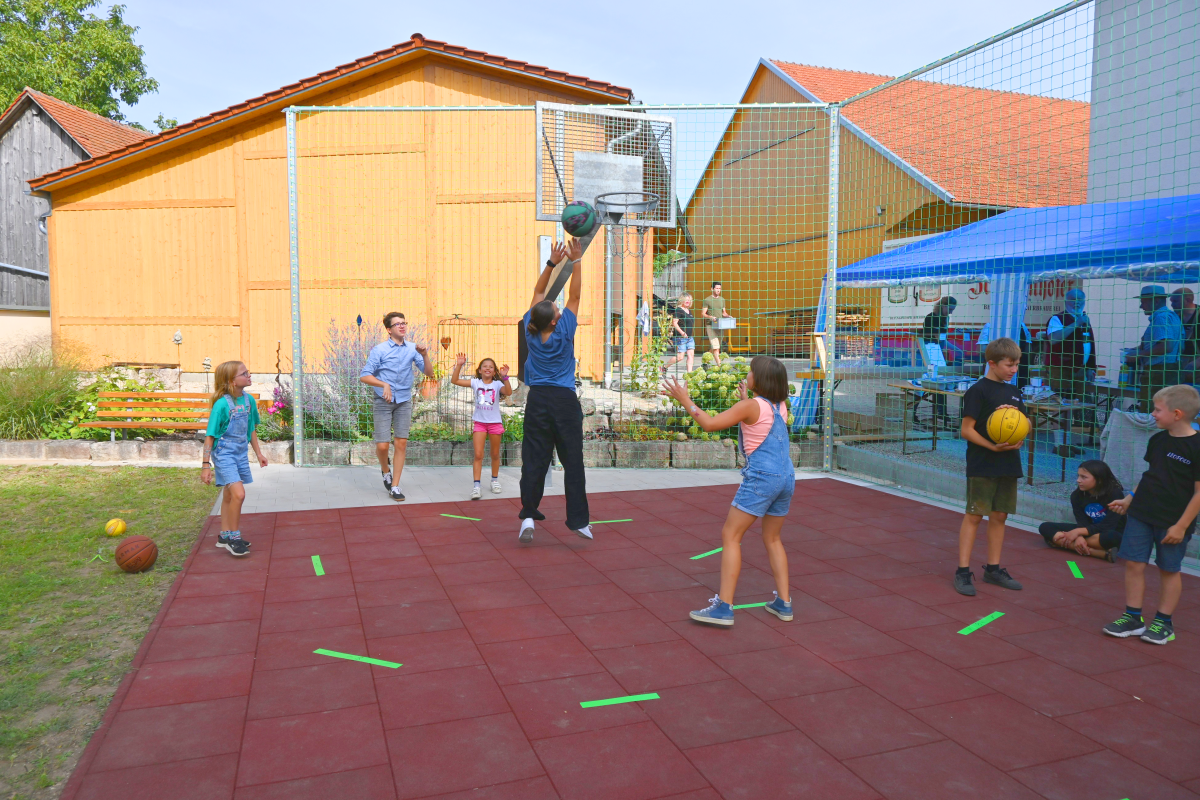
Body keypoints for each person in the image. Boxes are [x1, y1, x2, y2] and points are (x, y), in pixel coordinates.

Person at [664, 356, 795, 626]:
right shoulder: (779, 405)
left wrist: (685, 399)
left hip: (762, 478)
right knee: (773, 539)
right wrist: (749, 398)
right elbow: (761, 421)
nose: (747, 374)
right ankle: (784, 602)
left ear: (759, 380)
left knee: (730, 535)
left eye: (750, 372)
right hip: (786, 478)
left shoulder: (749, 406)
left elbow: (710, 424)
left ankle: (724, 607)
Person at [1103, 384, 1200, 645]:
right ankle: (1133, 617)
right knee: (1134, 563)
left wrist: (1181, 526)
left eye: (1158, 409)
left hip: (1173, 521)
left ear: (1177, 414)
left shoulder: (1196, 446)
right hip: (1141, 513)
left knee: (1169, 569)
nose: (1153, 414)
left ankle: (1163, 622)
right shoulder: (1157, 439)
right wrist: (1129, 499)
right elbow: (1150, 476)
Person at [519, 238, 592, 543]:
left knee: (534, 459)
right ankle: (578, 521)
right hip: (563, 400)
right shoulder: (564, 331)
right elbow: (575, 294)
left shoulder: (531, 328)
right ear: (554, 320)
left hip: (537, 399)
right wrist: (575, 261)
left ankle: (527, 517)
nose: (561, 308)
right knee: (572, 458)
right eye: (557, 308)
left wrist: (551, 263)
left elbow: (538, 293)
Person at [954, 337, 1028, 596]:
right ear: (992, 363)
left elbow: (1024, 425)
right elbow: (966, 430)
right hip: (983, 462)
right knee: (975, 515)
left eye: (1017, 364)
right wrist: (991, 446)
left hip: (1008, 462)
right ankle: (963, 571)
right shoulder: (978, 390)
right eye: (1010, 364)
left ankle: (993, 569)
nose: (1014, 369)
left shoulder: (1015, 392)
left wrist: (1017, 429)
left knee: (1000, 516)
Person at [360, 312, 434, 501]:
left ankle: (395, 486)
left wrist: (424, 355)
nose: (402, 326)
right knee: (383, 445)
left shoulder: (412, 348)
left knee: (401, 443)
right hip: (383, 402)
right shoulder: (380, 350)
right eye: (397, 324)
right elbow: (365, 375)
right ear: (388, 329)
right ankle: (386, 470)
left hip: (403, 401)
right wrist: (384, 385)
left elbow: (429, 373)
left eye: (404, 323)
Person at [201, 361, 269, 557]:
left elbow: (251, 430)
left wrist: (259, 454)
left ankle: (223, 536)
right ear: (231, 381)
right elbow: (210, 436)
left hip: (240, 453)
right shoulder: (221, 405)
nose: (249, 375)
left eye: (248, 372)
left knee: (229, 495)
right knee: (239, 494)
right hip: (223, 454)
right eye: (244, 373)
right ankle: (234, 538)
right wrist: (206, 466)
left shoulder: (249, 401)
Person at [451, 353, 512, 500]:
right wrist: (459, 365)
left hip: (495, 423)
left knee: (495, 454)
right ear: (480, 370)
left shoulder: (497, 384)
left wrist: (505, 377)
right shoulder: (475, 382)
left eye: (491, 367)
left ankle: (494, 481)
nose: (488, 368)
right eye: (485, 366)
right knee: (478, 455)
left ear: (494, 371)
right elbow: (455, 380)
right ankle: (476, 486)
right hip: (480, 423)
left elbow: (508, 392)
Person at [1038, 460, 1126, 561]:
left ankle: (1065, 543)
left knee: (1113, 537)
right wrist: (1079, 537)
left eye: (1084, 477)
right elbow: (1082, 522)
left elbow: (1108, 525)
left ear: (1099, 479)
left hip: (1107, 533)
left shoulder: (1115, 494)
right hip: (1088, 532)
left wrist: (1077, 533)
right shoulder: (1076, 496)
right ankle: (1098, 553)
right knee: (1045, 527)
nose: (1078, 480)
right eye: (1078, 476)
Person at [1124, 285, 1182, 410]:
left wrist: (1139, 355)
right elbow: (1175, 346)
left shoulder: (1161, 318)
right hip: (1171, 371)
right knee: (1166, 413)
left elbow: (1166, 346)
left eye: (1143, 302)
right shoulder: (1173, 316)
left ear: (1155, 300)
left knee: (1151, 414)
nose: (1141, 306)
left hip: (1157, 374)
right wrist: (1137, 350)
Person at [921, 296, 958, 425]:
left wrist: (957, 350)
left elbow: (942, 340)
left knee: (942, 382)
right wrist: (956, 350)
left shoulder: (945, 318)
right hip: (929, 350)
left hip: (937, 350)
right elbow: (938, 338)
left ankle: (941, 412)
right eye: (950, 309)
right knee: (928, 383)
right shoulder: (931, 317)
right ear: (943, 306)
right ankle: (916, 411)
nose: (951, 312)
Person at [663, 293, 697, 374]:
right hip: (681, 338)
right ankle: (664, 367)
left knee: (691, 355)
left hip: (690, 338)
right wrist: (682, 333)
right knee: (680, 357)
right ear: (682, 300)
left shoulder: (689, 311)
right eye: (686, 300)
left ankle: (689, 374)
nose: (688, 301)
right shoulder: (678, 310)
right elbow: (675, 323)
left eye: (689, 300)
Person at [701, 282, 731, 366]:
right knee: (716, 347)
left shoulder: (722, 299)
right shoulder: (707, 300)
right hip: (711, 325)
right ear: (712, 289)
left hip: (720, 325)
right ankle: (720, 366)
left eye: (719, 288)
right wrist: (711, 317)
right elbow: (703, 314)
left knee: (715, 347)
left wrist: (728, 316)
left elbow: (724, 313)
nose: (718, 290)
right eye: (717, 288)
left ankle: (705, 362)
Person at [1170, 288, 1200, 366]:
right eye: (1171, 301)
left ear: (1188, 300)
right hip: (1179, 360)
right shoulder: (1173, 317)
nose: (1172, 305)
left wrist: (1197, 363)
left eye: (1175, 301)